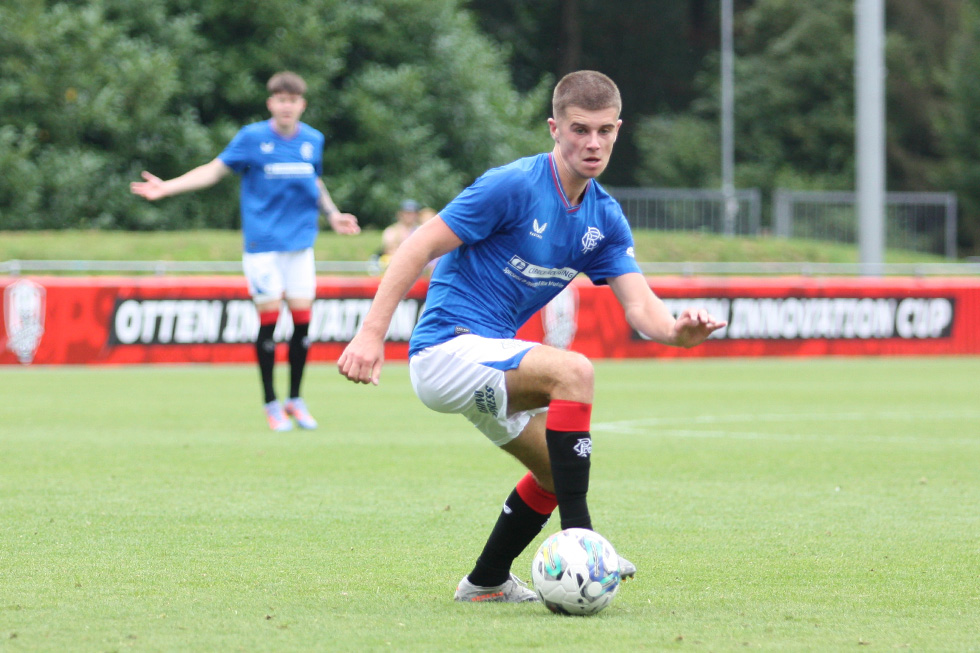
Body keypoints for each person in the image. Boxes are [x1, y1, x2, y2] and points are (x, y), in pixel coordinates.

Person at [338, 71, 726, 603]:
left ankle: (486, 581)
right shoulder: (514, 184)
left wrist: (676, 334)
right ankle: (585, 545)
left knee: (553, 471)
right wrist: (369, 335)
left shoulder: (605, 217)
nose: (593, 143)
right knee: (575, 371)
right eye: (579, 129)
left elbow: (643, 308)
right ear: (553, 127)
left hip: (490, 362)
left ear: (619, 130)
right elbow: (416, 246)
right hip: (446, 349)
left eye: (605, 131)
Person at [131, 71, 360, 433]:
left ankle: (295, 400)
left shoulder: (313, 140)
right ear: (271, 103)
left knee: (302, 326)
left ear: (302, 104)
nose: (286, 106)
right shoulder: (252, 138)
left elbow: (314, 181)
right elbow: (213, 171)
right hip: (263, 246)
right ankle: (271, 403)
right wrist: (168, 187)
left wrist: (333, 215)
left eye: (293, 100)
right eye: (280, 99)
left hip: (300, 245)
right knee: (269, 322)